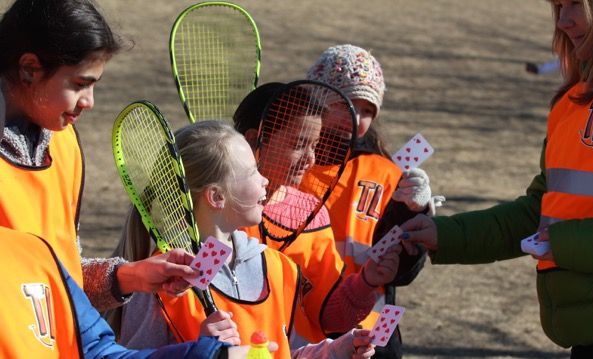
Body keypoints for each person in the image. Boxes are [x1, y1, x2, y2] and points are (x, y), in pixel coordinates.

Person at [400, 1, 593, 358]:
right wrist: (447, 235)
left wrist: (566, 243)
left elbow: (554, 232)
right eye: (557, 6)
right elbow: (541, 212)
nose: (563, 20)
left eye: (575, 3)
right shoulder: (569, 103)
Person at [0, 88, 259, 359]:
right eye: (252, 172)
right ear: (215, 196)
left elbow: (97, 347)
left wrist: (209, 353)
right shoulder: (26, 246)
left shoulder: (34, 251)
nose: (89, 101)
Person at [112, 120, 377, 359]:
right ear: (216, 197)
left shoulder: (278, 267)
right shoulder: (162, 279)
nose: (264, 180)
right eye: (252, 172)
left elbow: (280, 353)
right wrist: (202, 352)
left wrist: (332, 351)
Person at [0, 0, 199, 312]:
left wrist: (129, 276)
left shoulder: (63, 143)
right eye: (79, 84)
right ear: (29, 69)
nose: (89, 102)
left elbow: (61, 278)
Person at [234, 82, 403, 347]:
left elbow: (331, 317)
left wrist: (367, 281)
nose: (310, 159)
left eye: (314, 145)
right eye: (299, 144)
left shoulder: (311, 214)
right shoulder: (218, 208)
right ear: (255, 139)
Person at [305, 44, 439, 358]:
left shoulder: (384, 171)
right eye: (346, 103)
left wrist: (414, 210)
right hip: (304, 320)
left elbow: (404, 271)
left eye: (367, 110)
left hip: (372, 324)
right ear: (317, 101)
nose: (356, 118)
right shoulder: (292, 166)